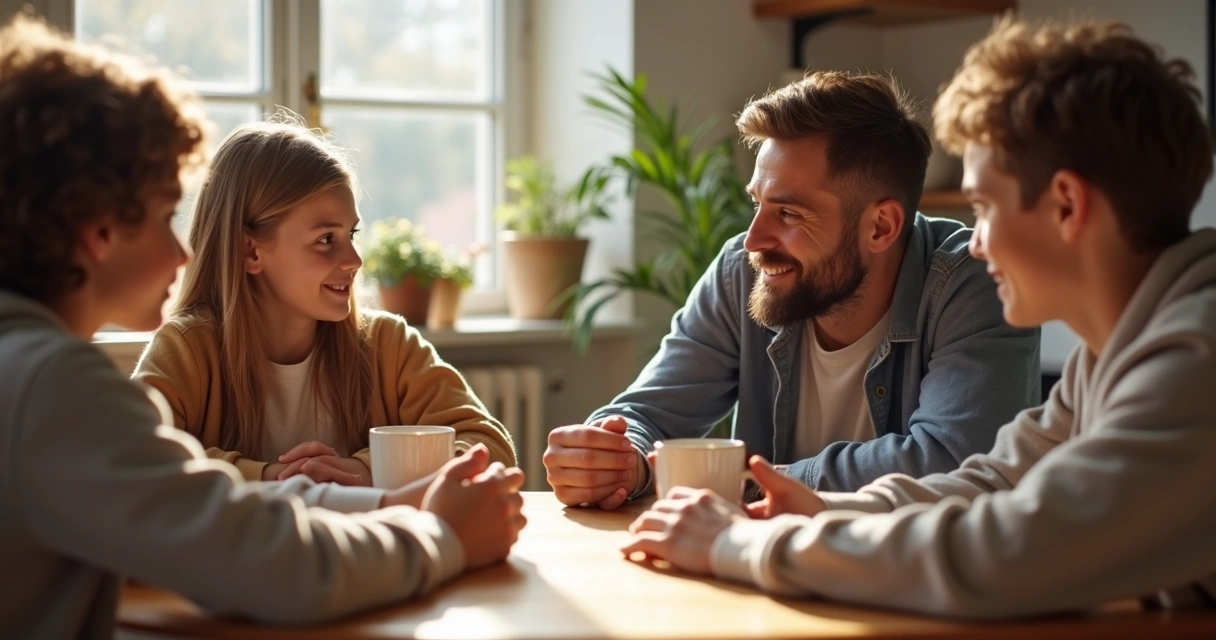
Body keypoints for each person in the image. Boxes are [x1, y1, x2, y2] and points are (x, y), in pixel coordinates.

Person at [622, 17, 1216, 618]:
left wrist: (739, 542)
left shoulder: (1196, 359)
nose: (977, 243)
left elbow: (1002, 554)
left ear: (1066, 205)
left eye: (983, 206)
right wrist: (823, 511)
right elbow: (994, 482)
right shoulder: (1122, 348)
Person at [0, 15, 525, 636]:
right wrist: (439, 535)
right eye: (167, 216)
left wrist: (376, 494)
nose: (183, 254)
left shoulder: (26, 367)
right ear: (99, 231)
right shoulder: (52, 385)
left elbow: (201, 514)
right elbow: (263, 560)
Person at [544, 70, 1041, 509]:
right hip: (772, 578)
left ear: (881, 228)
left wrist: (751, 482)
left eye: (788, 213)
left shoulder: (973, 281)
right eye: (757, 203)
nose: (754, 239)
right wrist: (617, 458)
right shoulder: (744, 270)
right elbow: (646, 411)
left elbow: (954, 460)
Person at [132, 119, 515, 498]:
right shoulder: (186, 349)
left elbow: (490, 447)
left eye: (351, 235)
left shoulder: (388, 344)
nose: (354, 260)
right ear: (250, 250)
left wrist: (366, 471)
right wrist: (268, 477)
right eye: (326, 239)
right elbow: (135, 460)